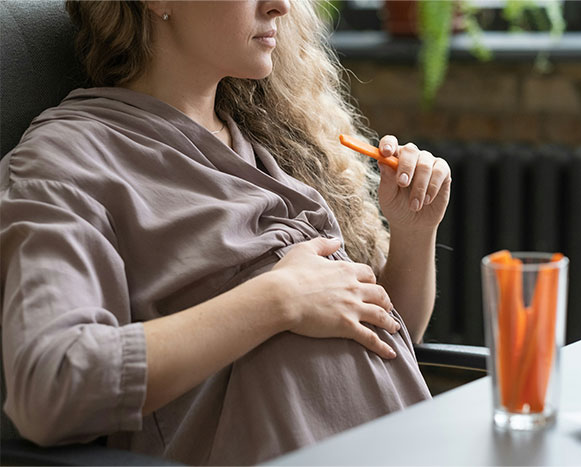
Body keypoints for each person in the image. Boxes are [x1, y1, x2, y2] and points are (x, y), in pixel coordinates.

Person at [0, 0, 452, 464]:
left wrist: (414, 231)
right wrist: (277, 299)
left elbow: (392, 335)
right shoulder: (69, 159)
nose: (281, 6)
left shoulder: (271, 157)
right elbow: (52, 384)